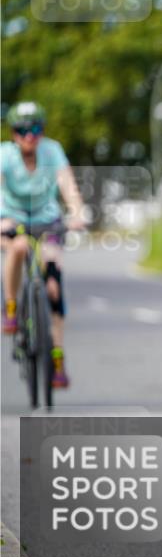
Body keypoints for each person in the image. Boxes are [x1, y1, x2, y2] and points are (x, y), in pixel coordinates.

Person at [1, 101, 85, 388]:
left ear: (42, 131)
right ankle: (11, 307)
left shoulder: (52, 150)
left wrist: (77, 211)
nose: (29, 135)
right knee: (20, 246)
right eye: (22, 130)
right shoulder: (4, 155)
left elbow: (67, 184)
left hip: (47, 219)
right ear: (13, 133)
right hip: (10, 219)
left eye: (35, 128)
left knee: (53, 287)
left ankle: (58, 361)